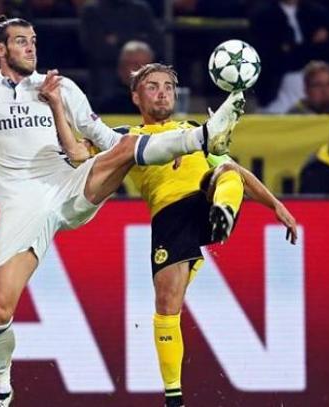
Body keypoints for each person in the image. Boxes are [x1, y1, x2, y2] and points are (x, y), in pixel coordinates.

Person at [0, 16, 243, 407]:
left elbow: (106, 141)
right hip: (23, 204)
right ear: (0, 50)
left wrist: (178, 146)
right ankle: (2, 386)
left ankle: (203, 134)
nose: (30, 47)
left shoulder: (62, 87)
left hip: (70, 185)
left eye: (33, 40)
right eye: (20, 41)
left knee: (125, 144)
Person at [45, 62, 298, 407]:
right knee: (167, 307)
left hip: (206, 199)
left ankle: (222, 212)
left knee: (224, 170)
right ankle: (174, 398)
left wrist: (275, 205)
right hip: (171, 216)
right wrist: (58, 105)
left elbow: (236, 169)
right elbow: (76, 154)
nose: (162, 92)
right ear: (135, 96)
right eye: (153, 86)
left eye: (167, 86)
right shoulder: (124, 139)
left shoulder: (195, 130)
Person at [249, 0, 329, 113]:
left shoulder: (316, 12)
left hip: (313, 86)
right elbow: (274, 58)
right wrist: (311, 45)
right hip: (276, 91)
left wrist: (293, 50)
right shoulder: (264, 15)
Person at [97, 40, 155, 113]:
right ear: (121, 68)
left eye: (145, 65)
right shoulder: (108, 106)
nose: (140, 70)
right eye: (135, 64)